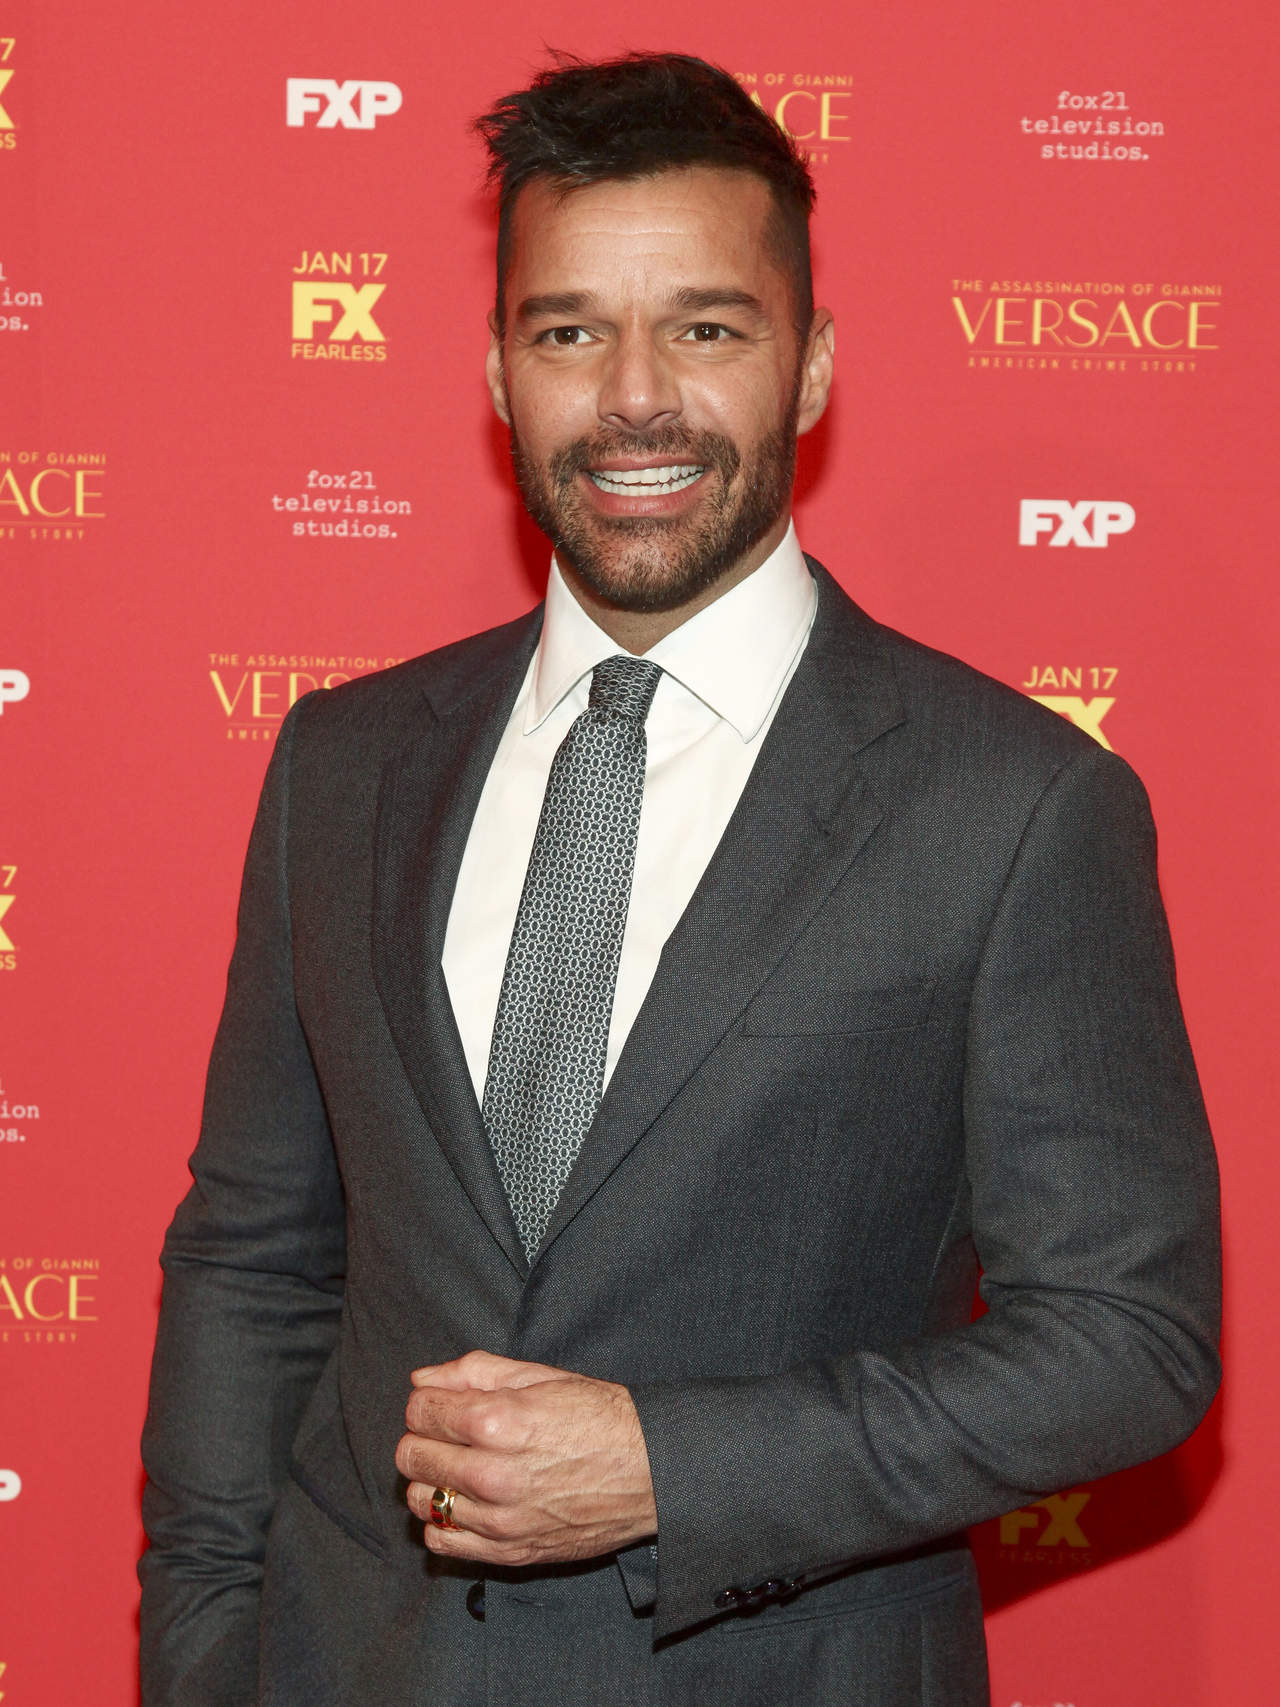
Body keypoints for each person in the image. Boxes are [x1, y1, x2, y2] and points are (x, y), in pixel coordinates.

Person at [138, 51, 1221, 1707]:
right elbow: (255, 1264)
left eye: (707, 330)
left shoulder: (1016, 805)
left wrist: (671, 1468)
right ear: (498, 371)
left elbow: (1127, 1341)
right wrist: (207, 1657)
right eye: (569, 333)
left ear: (812, 364)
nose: (633, 398)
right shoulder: (342, 767)